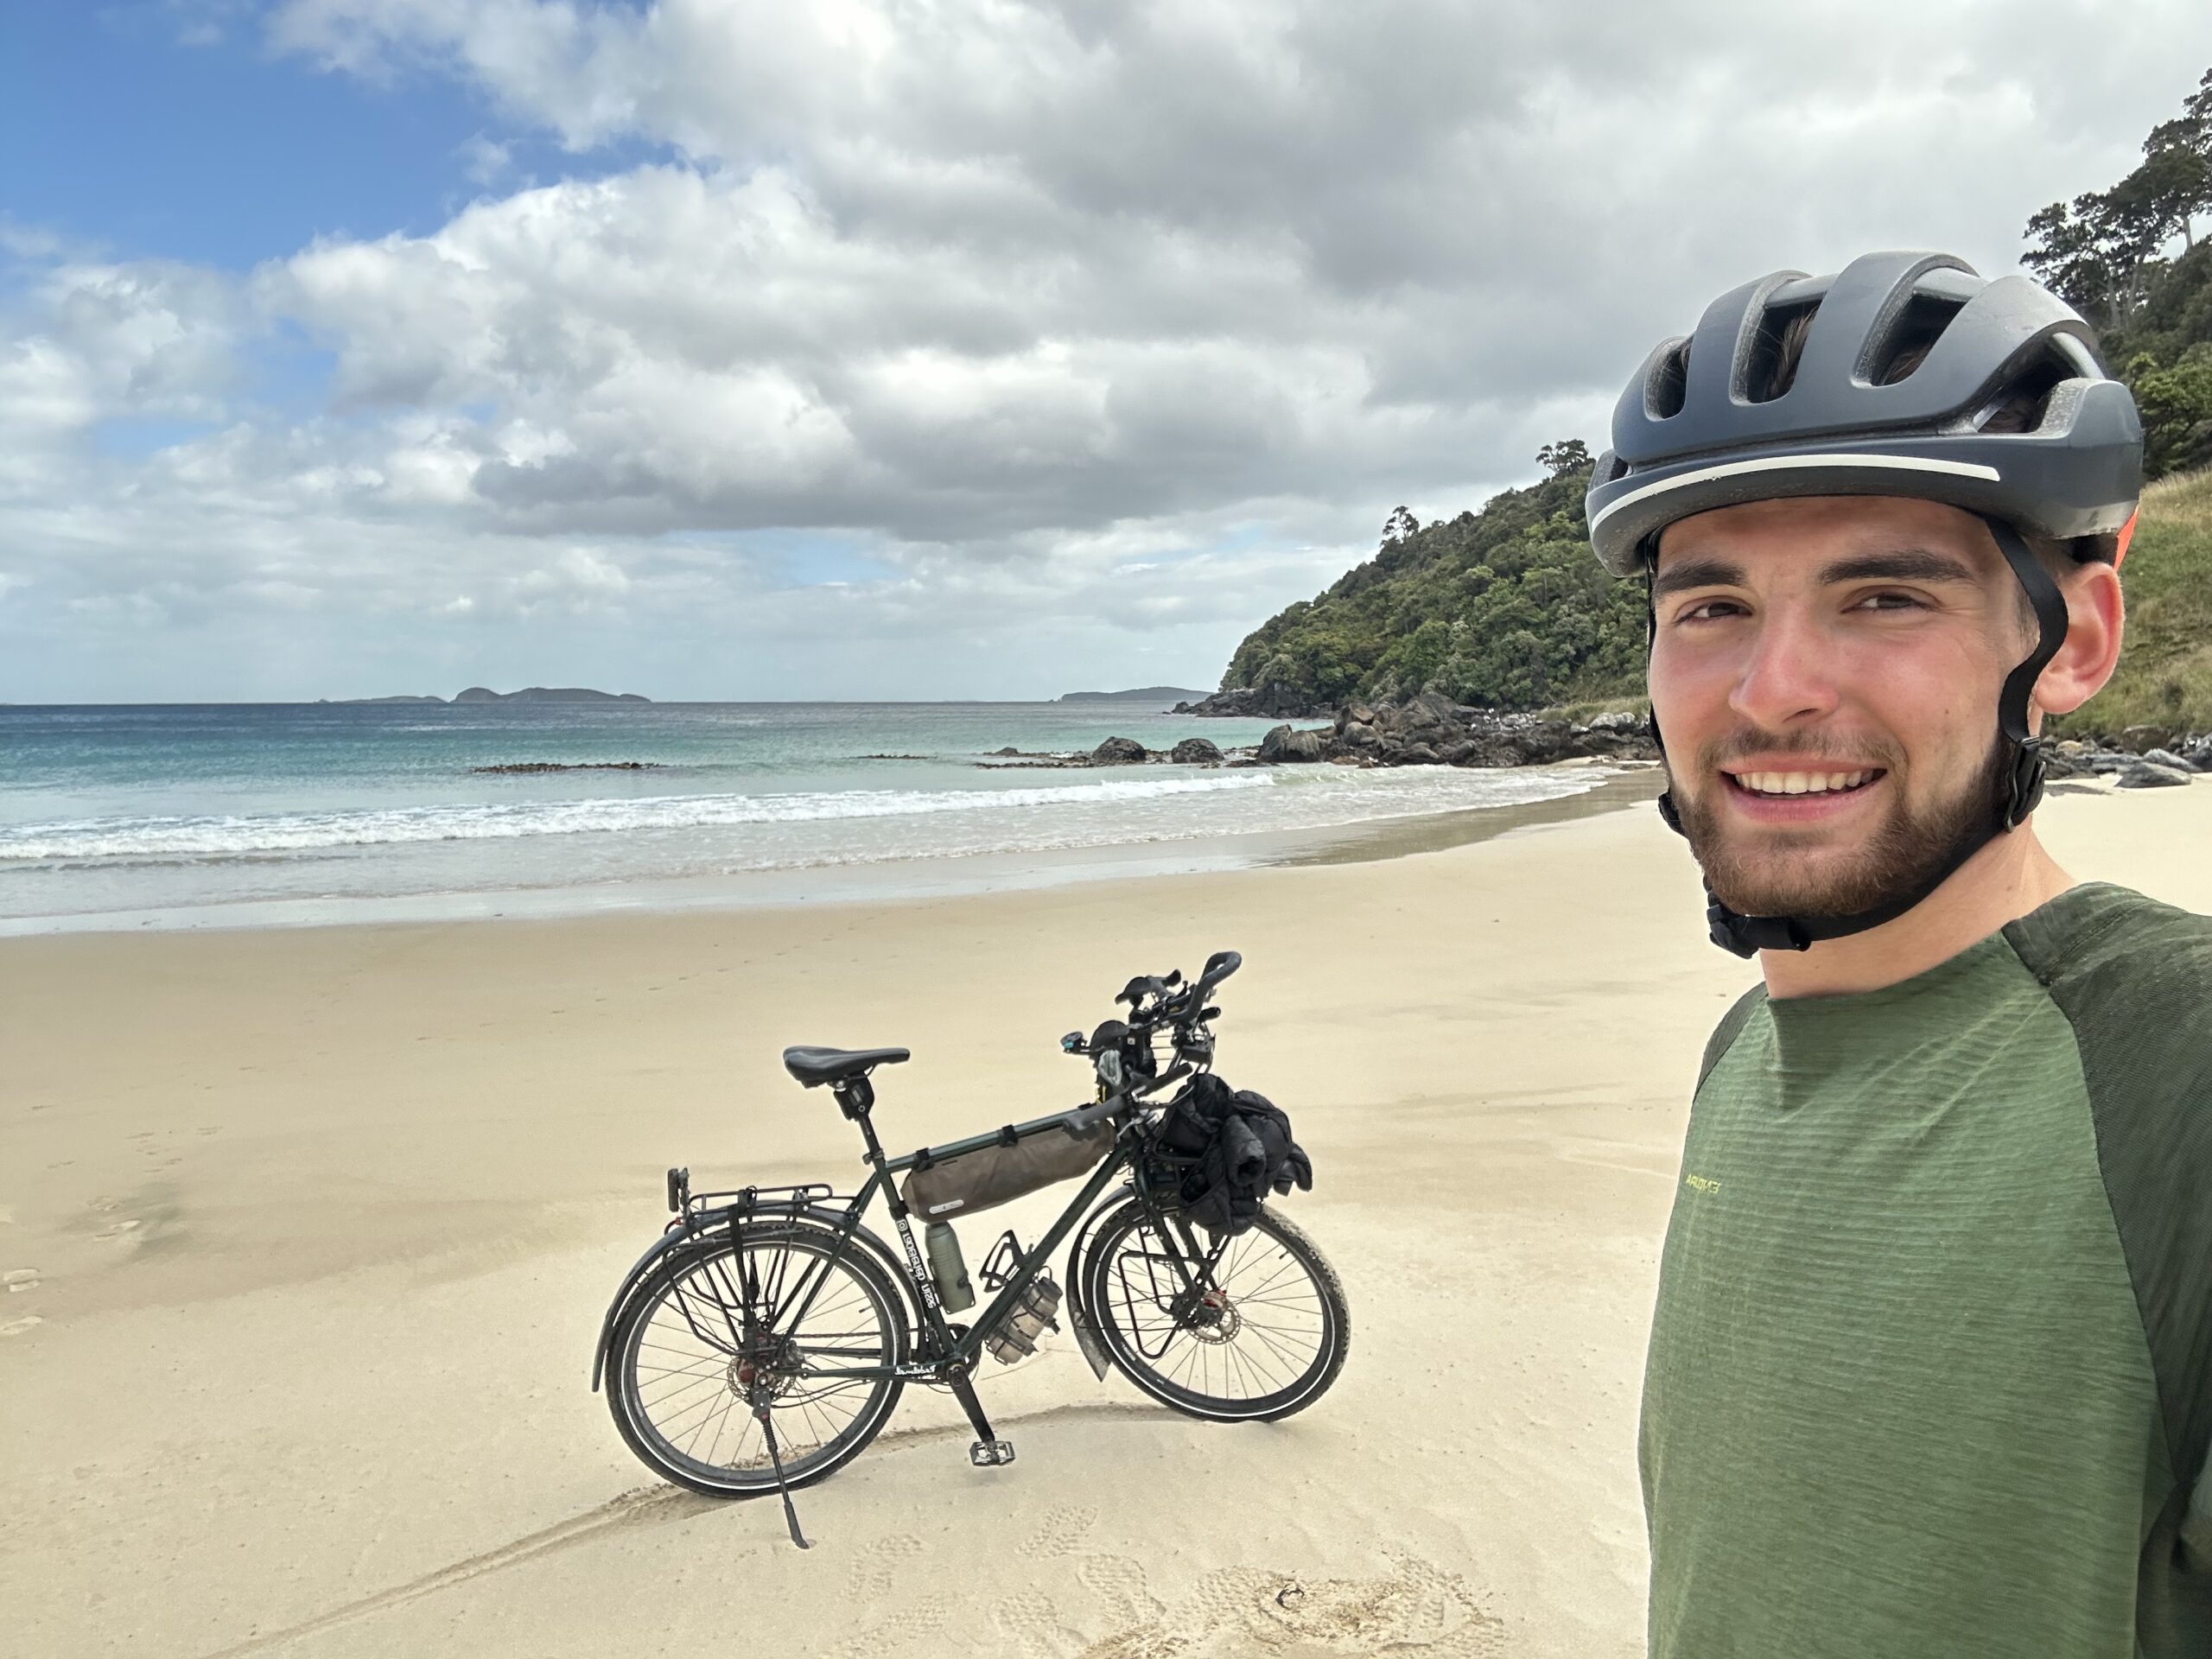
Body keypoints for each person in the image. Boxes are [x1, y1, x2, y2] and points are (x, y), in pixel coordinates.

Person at [1584, 250, 2212, 1658]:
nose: (1772, 693)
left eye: (1884, 598)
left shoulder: (2182, 1064)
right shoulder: (1743, 1051)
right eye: (1711, 608)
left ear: (2072, 643)